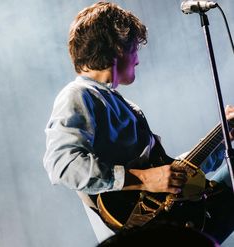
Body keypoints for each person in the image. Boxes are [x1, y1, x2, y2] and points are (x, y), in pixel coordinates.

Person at [43, 1, 234, 245]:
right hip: (141, 230)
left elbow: (168, 173)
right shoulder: (77, 94)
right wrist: (145, 179)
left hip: (173, 215)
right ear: (117, 47)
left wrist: (222, 141)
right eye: (134, 49)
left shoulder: (118, 103)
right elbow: (62, 165)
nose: (137, 60)